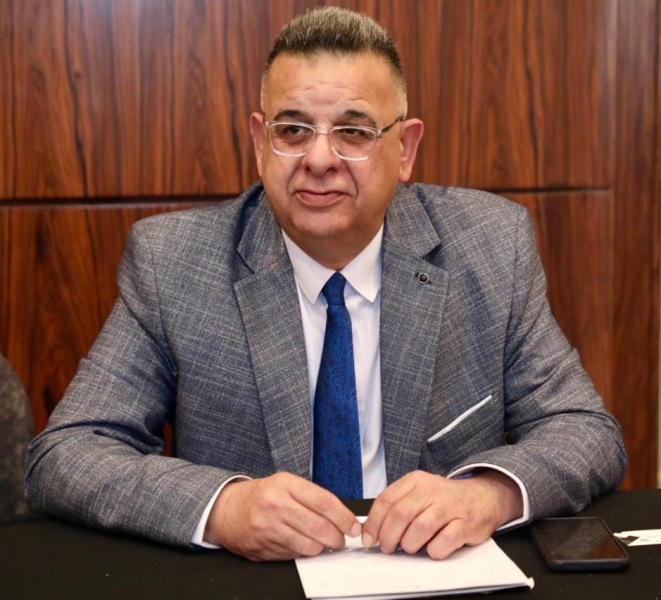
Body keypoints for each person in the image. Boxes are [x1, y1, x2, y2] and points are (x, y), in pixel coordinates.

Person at [25, 7, 626, 562]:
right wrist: (225, 508)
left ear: (405, 148)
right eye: (292, 130)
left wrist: (487, 495)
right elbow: (67, 453)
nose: (318, 159)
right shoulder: (174, 263)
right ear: (260, 143)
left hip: (432, 576)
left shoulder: (490, 245)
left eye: (354, 132)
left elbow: (585, 431)